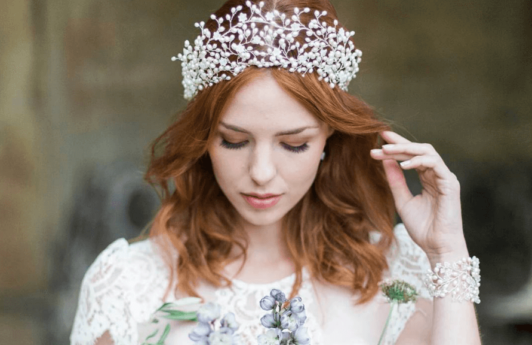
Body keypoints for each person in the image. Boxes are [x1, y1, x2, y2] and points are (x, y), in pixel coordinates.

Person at [70, 0, 482, 344]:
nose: (262, 172)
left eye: (293, 144)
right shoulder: (128, 285)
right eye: (233, 140)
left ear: (328, 140)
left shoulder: (395, 276)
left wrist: (448, 251)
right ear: (203, 141)